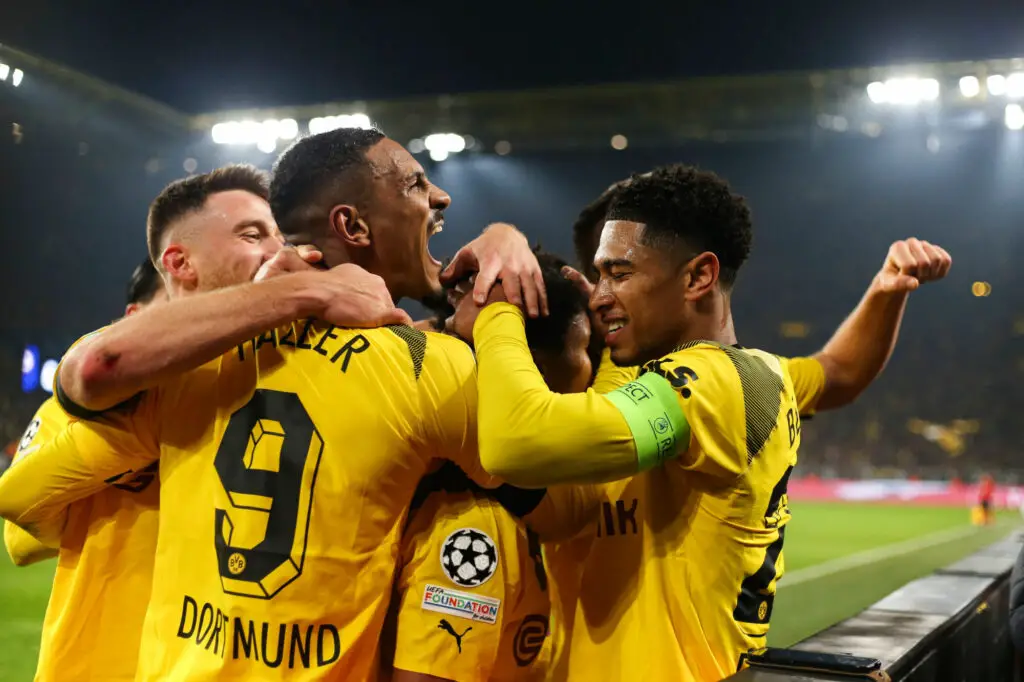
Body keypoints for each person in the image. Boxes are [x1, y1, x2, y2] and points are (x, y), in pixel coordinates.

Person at [0, 129, 544, 681]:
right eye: (252, 233)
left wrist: (503, 240)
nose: (274, 248)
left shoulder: (186, 373)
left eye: (275, 232)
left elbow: (22, 496)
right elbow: (554, 489)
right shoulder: (427, 366)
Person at [455, 164, 953, 680]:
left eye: (620, 274)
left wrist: (498, 309)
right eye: (598, 274)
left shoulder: (722, 383)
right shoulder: (713, 378)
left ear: (697, 277)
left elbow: (517, 440)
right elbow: (838, 371)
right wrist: (885, 290)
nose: (600, 296)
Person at [384, 251, 592, 682]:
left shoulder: (475, 487)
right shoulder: (473, 527)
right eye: (587, 347)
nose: (594, 365)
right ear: (531, 370)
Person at [2, 257, 166, 682]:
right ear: (133, 317)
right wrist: (131, 441)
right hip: (96, 661)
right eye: (177, 308)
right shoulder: (73, 407)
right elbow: (18, 541)